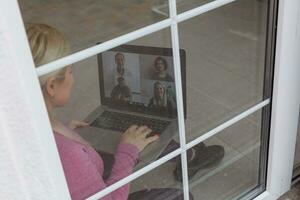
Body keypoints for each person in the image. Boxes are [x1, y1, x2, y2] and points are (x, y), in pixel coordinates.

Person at [26, 23, 195, 200]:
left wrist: (65, 132)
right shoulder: (67, 153)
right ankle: (190, 154)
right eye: (70, 71)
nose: (73, 79)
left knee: (136, 134)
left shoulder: (35, 129)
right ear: (52, 85)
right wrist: (127, 152)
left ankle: (189, 153)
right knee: (183, 197)